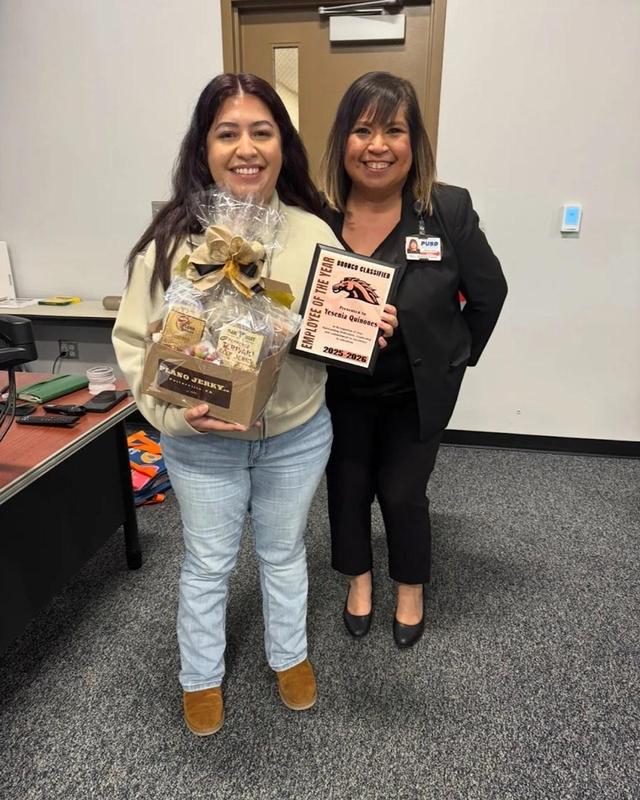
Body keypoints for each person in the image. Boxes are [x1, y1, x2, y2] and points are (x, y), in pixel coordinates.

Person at [112, 73, 395, 736]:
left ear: (282, 144)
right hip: (200, 441)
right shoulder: (171, 242)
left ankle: (289, 655)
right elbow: (132, 345)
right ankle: (200, 675)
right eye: (228, 132)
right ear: (203, 147)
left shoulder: (309, 230)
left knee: (283, 550)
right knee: (209, 561)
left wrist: (364, 330)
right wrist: (177, 415)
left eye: (262, 132)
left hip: (295, 434)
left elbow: (335, 328)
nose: (247, 147)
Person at [320, 71, 507, 648]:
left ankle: (410, 587)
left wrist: (454, 356)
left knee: (402, 492)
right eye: (362, 130)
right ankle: (358, 579)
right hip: (337, 392)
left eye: (394, 130)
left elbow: (488, 293)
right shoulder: (315, 216)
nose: (377, 146)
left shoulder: (445, 210)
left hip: (415, 393)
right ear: (342, 142)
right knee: (347, 488)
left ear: (414, 141)